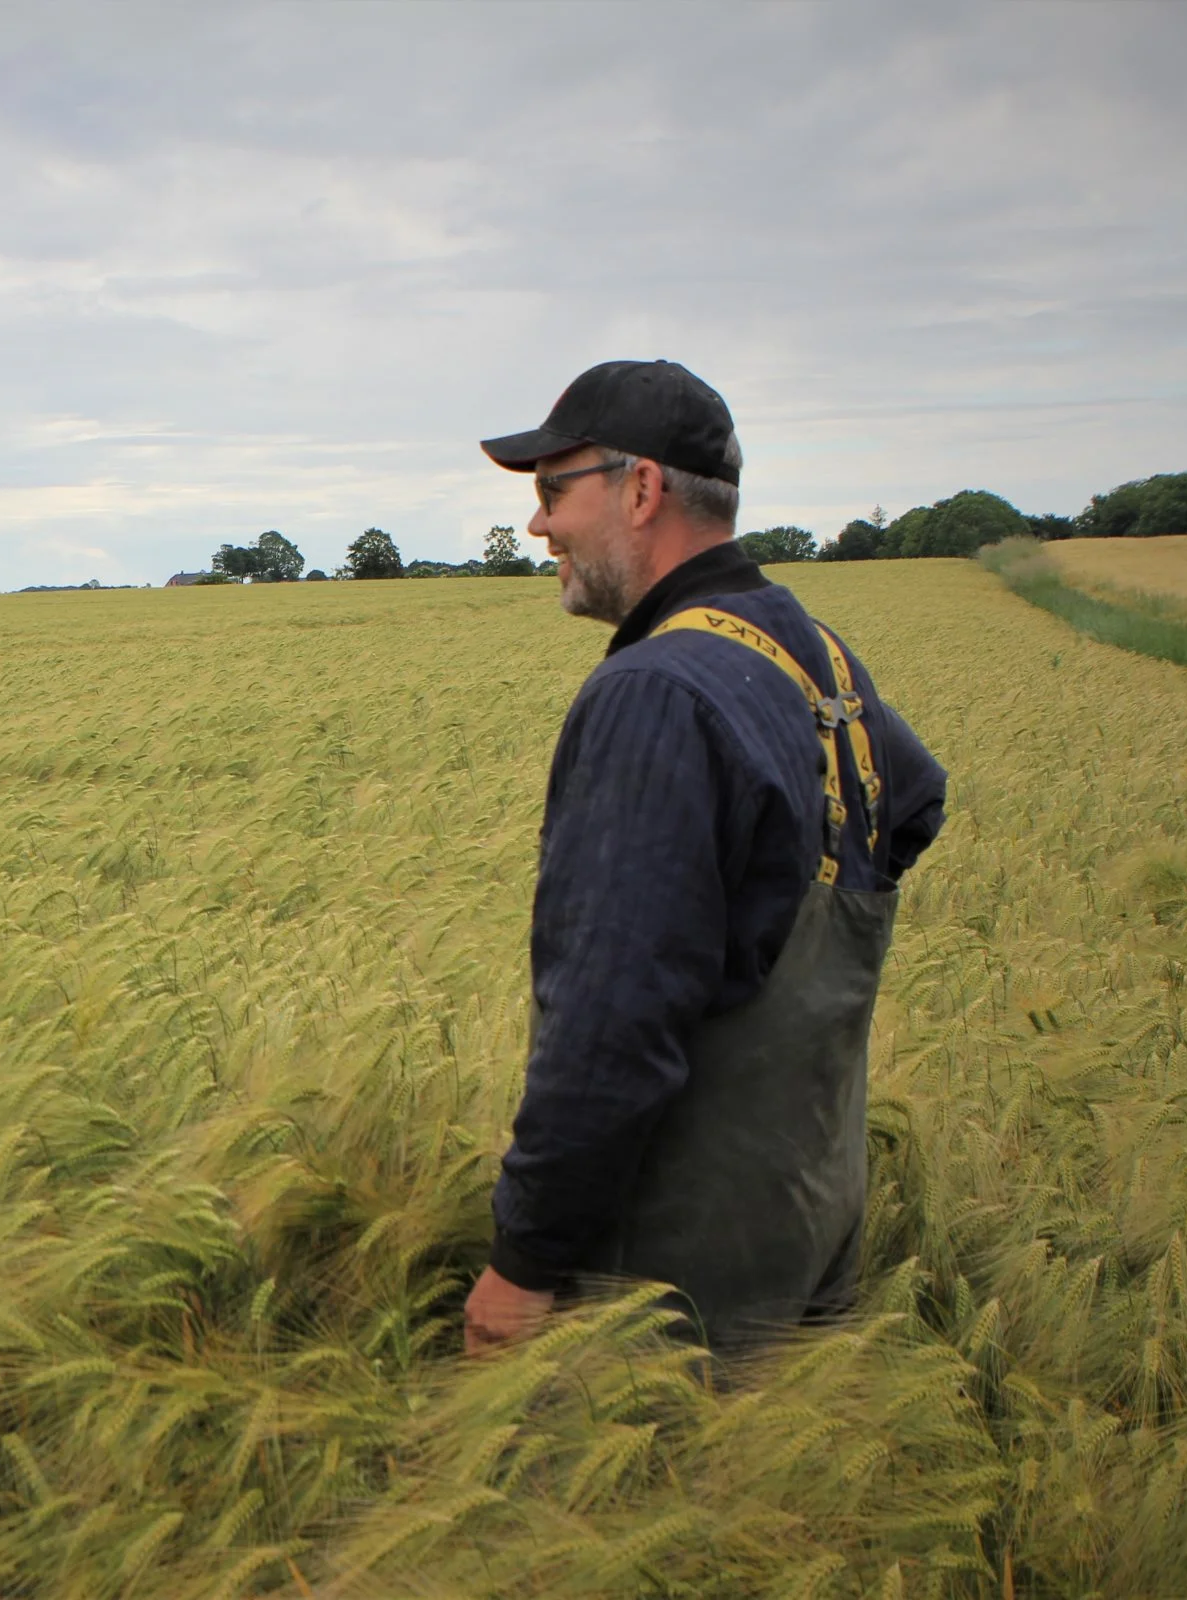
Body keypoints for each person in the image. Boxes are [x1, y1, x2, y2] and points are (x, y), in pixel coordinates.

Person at [462, 361, 946, 1356]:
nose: (538, 525)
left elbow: (612, 1018)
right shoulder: (816, 651)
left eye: (553, 490)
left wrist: (524, 1262)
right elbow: (917, 798)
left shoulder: (657, 690)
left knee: (622, 1500)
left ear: (640, 490)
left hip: (676, 1271)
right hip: (813, 1212)